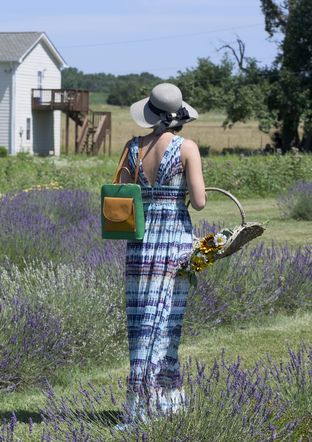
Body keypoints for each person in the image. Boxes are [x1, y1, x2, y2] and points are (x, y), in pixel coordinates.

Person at [118, 83, 206, 425]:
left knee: (141, 322)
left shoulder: (132, 147)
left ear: (150, 114)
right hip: (174, 240)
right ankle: (165, 403)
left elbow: (124, 193)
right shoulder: (188, 148)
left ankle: (140, 403)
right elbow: (199, 201)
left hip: (140, 241)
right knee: (167, 322)